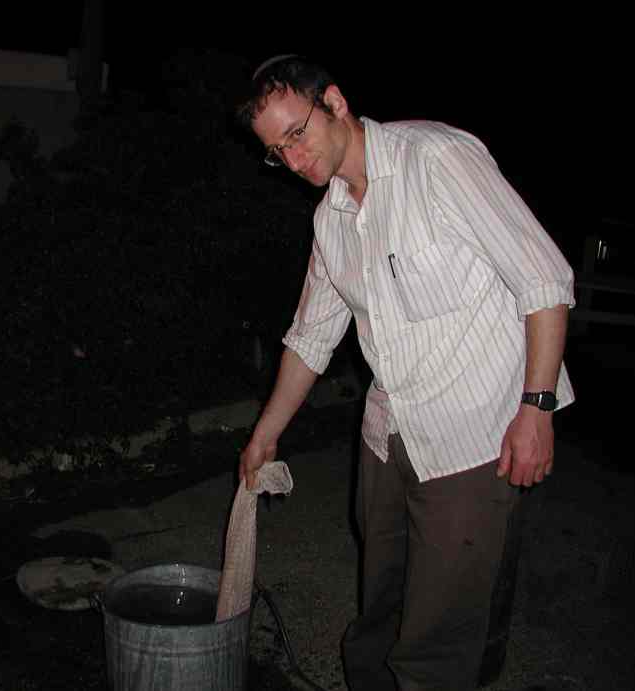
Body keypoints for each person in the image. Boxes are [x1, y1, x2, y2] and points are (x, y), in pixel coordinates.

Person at [235, 55, 575, 691]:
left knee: (442, 630)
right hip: (387, 436)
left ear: (334, 102)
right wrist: (265, 435)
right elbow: (312, 336)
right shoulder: (329, 217)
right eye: (277, 152)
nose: (295, 161)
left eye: (298, 134)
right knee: (381, 604)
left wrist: (537, 406)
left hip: (474, 439)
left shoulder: (438, 159)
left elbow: (545, 278)